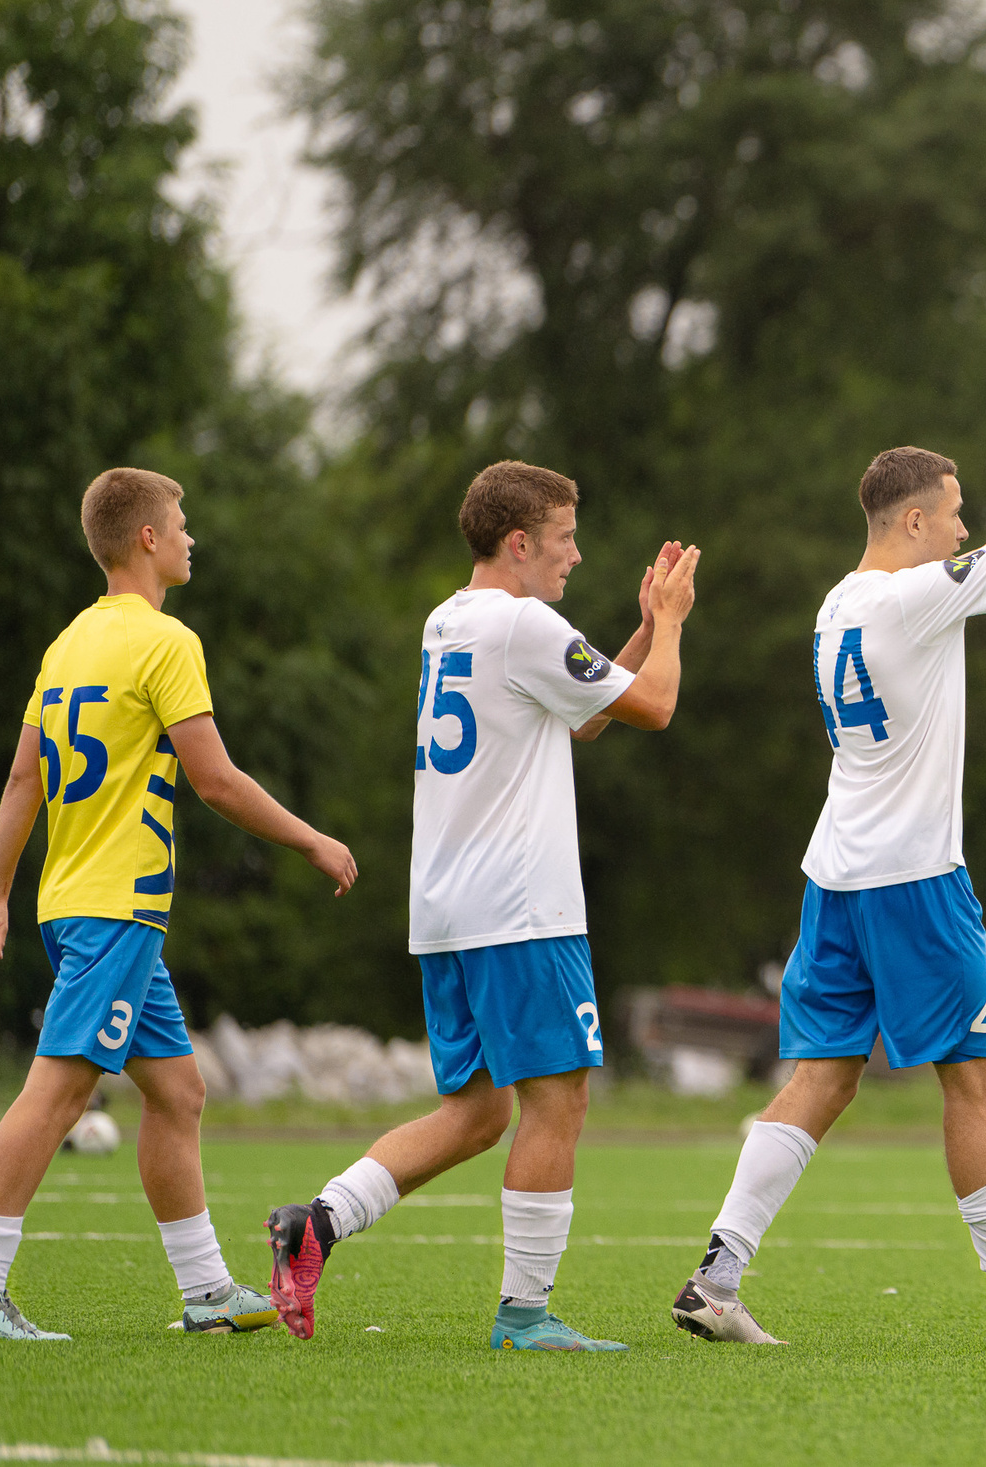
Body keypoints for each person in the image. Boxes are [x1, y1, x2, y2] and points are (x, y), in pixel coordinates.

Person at [669, 374, 986, 1349]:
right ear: (915, 520)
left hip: (835, 873)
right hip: (915, 880)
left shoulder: (844, 601)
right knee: (977, 1080)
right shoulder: (908, 603)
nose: (965, 531)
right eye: (953, 516)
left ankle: (716, 1276)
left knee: (821, 1077)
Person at [263, 462, 699, 1352]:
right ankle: (526, 1315)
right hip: (522, 909)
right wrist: (677, 629)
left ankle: (318, 1223)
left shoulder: (448, 619)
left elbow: (580, 716)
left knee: (478, 1111)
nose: (577, 554)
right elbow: (653, 705)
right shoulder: (523, 622)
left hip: (450, 909)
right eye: (566, 537)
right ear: (519, 542)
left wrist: (644, 626)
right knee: (558, 1101)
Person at [0, 469, 356, 1341]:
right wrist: (310, 839)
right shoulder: (165, 640)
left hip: (78, 902)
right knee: (59, 1092)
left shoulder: (69, 642)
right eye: (180, 523)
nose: (191, 537)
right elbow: (214, 778)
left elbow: (23, 775)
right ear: (146, 537)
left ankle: (207, 1291)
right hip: (115, 909)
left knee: (178, 1090)